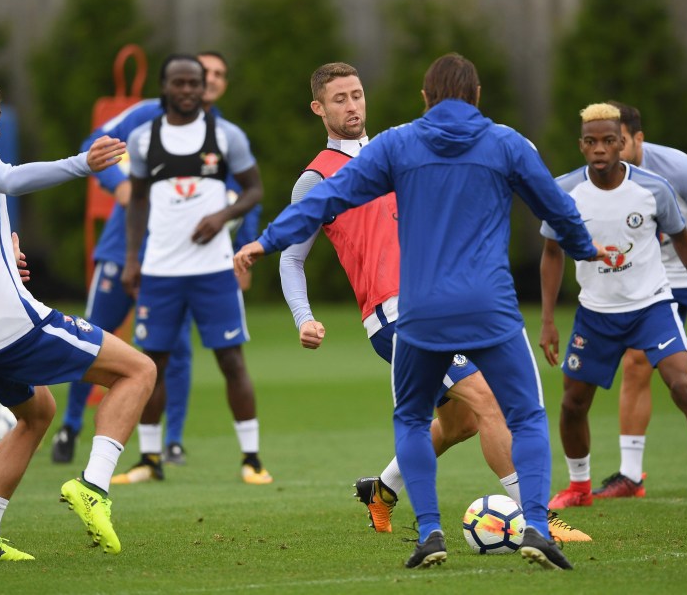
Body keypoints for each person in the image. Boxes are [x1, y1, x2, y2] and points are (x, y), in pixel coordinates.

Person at [236, 53, 600, 570]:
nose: (352, 105)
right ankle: (534, 519)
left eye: (357, 94)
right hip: (393, 314)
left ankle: (381, 490)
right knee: (492, 402)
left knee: (460, 424)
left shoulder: (403, 149)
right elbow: (294, 257)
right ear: (318, 108)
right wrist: (303, 317)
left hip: (445, 302)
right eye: (339, 99)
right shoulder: (319, 176)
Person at [0, 73, 155, 560]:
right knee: (139, 370)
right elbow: (10, 179)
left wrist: (4, 255)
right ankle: (93, 487)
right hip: (6, 322)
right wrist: (83, 164)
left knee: (36, 413)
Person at [51, 51, 260, 468]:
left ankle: (173, 443)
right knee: (93, 338)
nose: (208, 81)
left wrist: (246, 248)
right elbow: (93, 147)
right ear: (169, 83)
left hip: (191, 262)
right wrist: (121, 187)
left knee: (174, 352)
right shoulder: (146, 118)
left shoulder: (224, 134)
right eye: (202, 73)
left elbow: (247, 192)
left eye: (217, 74)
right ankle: (71, 425)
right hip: (125, 253)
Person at [539, 102, 687, 514]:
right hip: (594, 314)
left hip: (651, 306)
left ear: (622, 143)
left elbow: (685, 243)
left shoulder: (653, 188)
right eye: (591, 141)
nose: (600, 149)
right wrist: (547, 321)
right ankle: (579, 485)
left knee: (686, 386)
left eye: (608, 141)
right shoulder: (563, 192)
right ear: (581, 146)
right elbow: (551, 252)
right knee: (573, 403)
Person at [120, 54, 271, 485]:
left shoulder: (226, 136)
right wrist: (133, 259)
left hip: (214, 271)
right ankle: (149, 459)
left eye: (194, 84)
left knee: (231, 361)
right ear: (165, 87)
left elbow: (255, 189)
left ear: (204, 88)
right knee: (151, 365)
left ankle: (252, 458)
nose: (187, 91)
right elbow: (139, 203)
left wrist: (221, 218)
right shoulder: (143, 139)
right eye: (178, 83)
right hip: (160, 271)